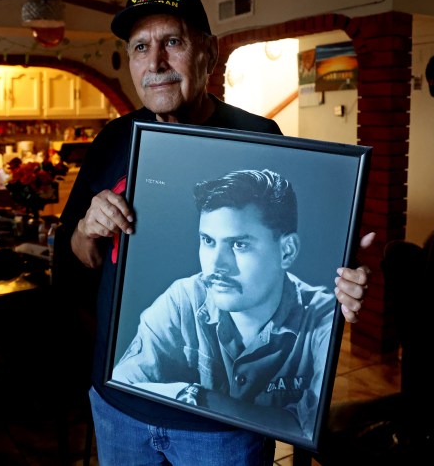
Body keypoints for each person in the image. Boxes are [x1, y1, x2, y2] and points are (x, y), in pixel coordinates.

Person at [56, 0, 373, 466]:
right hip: (118, 404)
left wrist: (341, 284)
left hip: (222, 427)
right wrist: (85, 230)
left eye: (173, 42)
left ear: (210, 51)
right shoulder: (113, 139)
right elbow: (74, 258)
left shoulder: (259, 136)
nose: (156, 62)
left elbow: (302, 261)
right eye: (141, 47)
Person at [112, 168, 332, 441]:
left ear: (286, 251)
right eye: (208, 241)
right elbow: (125, 382)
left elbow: (313, 429)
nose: (216, 265)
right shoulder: (184, 299)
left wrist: (201, 399)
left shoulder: (323, 317)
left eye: (239, 245)